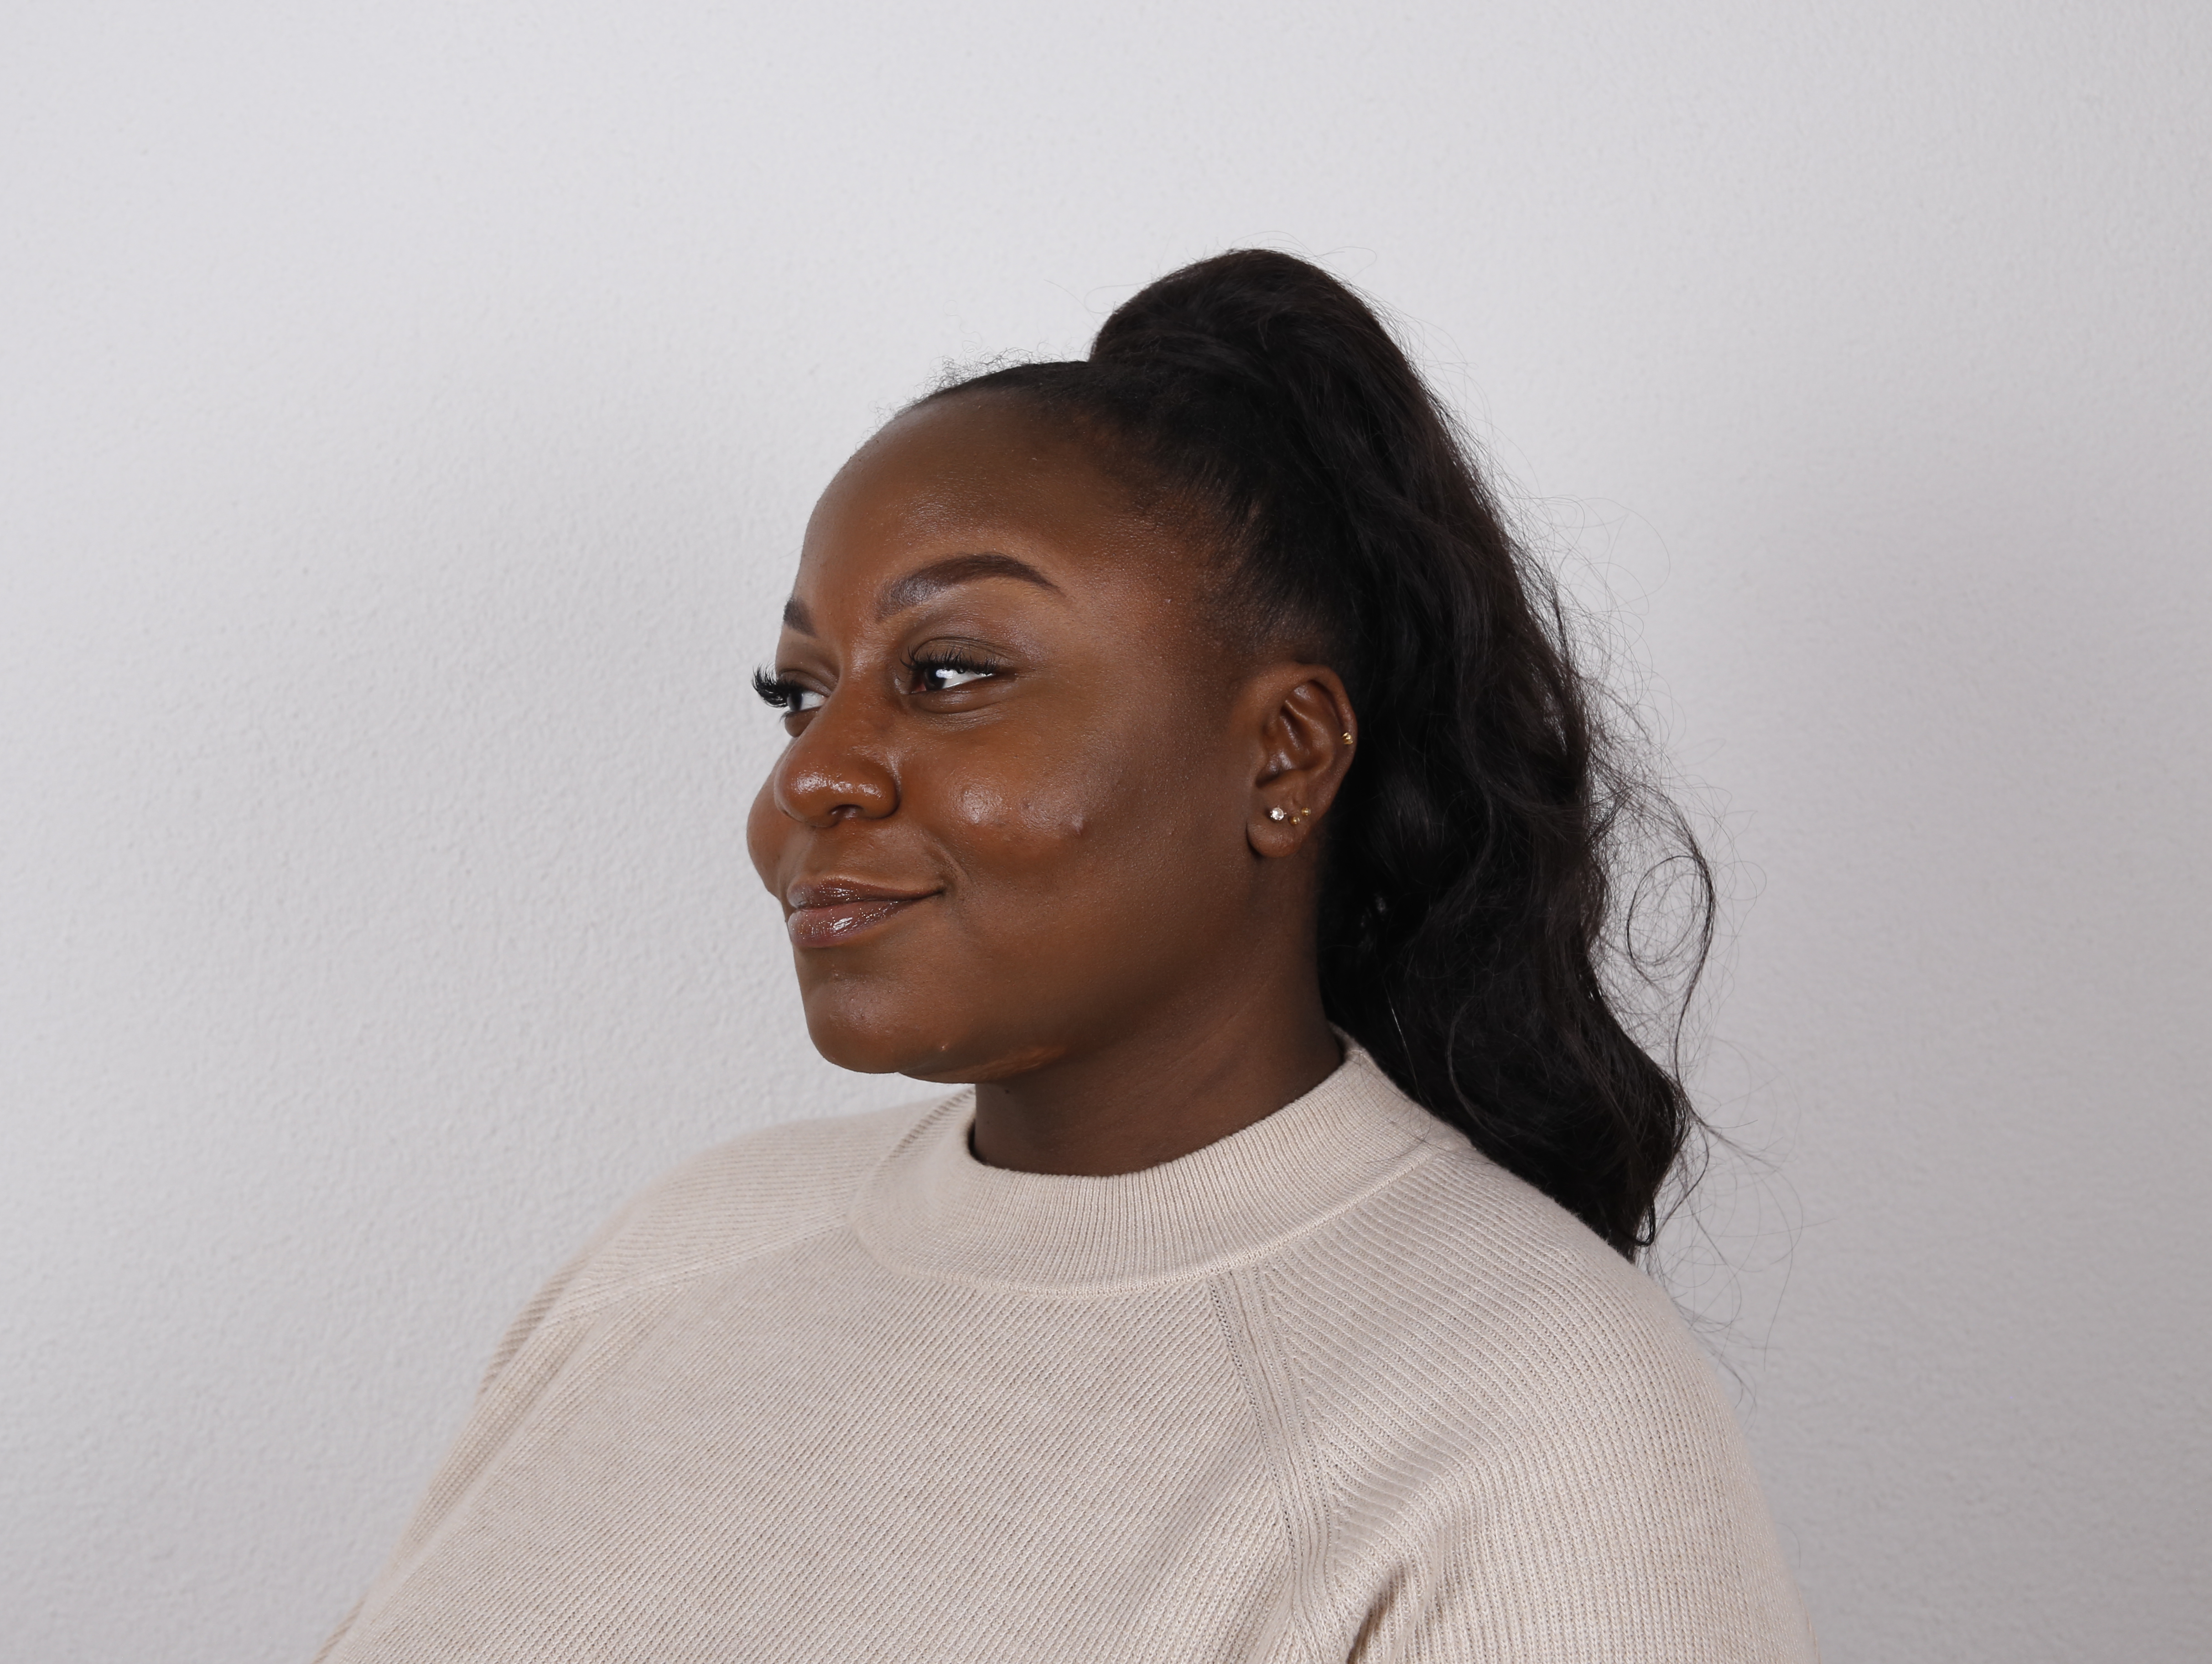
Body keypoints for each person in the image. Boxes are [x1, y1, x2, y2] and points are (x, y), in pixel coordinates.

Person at [313, 250, 1814, 1662]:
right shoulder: (683, 1253)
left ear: (1286, 755)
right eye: (799, 693)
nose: (814, 774)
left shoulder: (1535, 1414)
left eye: (948, 671)